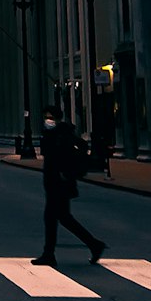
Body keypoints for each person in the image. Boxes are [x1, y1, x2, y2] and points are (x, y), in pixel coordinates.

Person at [32, 105, 106, 267]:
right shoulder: (53, 134)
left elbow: (64, 156)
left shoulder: (62, 135)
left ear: (58, 119)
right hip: (54, 182)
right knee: (63, 218)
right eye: (46, 117)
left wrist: (65, 173)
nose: (48, 121)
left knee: (53, 218)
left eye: (51, 118)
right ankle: (94, 245)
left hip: (60, 184)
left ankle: (49, 254)